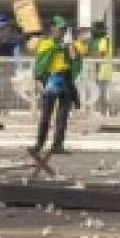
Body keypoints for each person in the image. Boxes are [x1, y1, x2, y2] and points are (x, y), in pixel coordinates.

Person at [28, 17, 81, 157]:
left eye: (64, 29)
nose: (62, 31)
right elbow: (40, 63)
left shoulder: (68, 44)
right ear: (52, 28)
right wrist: (38, 82)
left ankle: (57, 145)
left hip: (65, 79)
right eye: (59, 28)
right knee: (46, 115)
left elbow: (75, 58)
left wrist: (69, 44)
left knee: (62, 116)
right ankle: (39, 144)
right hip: (51, 80)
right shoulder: (45, 43)